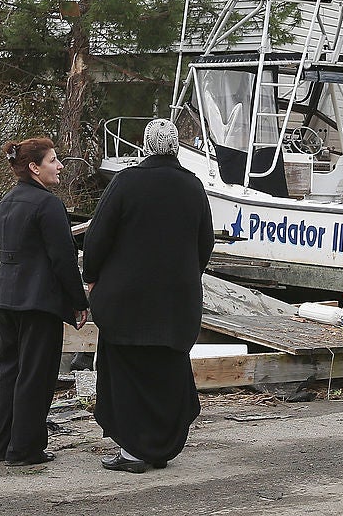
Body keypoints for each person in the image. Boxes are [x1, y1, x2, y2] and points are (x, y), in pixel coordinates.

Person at [82, 118, 215, 473]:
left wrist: (91, 276)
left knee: (126, 374)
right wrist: (185, 277)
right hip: (176, 303)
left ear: (144, 145)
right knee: (167, 373)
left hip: (126, 302)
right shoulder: (193, 186)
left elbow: (97, 238)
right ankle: (160, 447)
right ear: (175, 146)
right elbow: (205, 244)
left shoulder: (127, 182)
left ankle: (132, 452)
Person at [0, 137, 89, 466]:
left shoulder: (6, 202)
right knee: (36, 375)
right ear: (35, 168)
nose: (59, 166)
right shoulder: (48, 205)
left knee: (11, 373)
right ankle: (25, 449)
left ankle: (3, 445)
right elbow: (63, 258)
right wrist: (78, 301)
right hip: (37, 301)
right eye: (53, 160)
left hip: (7, 298)